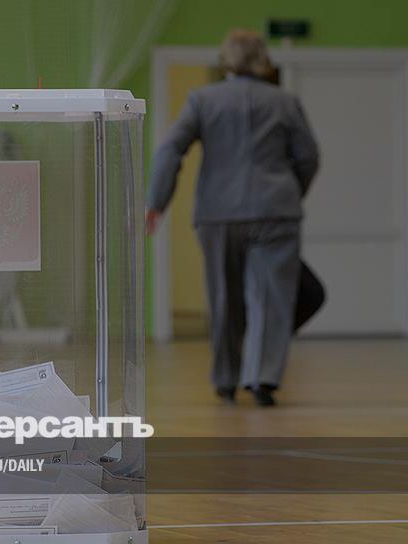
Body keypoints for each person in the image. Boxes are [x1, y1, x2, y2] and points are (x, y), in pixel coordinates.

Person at [146, 29, 320, 407]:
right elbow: (308, 157)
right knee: (270, 298)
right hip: (276, 212)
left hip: (218, 214)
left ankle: (225, 379)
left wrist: (156, 202)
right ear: (263, 60)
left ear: (225, 59)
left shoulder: (203, 100)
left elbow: (171, 149)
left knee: (223, 297)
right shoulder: (285, 102)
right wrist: (290, 192)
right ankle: (261, 380)